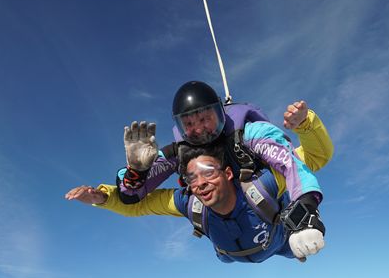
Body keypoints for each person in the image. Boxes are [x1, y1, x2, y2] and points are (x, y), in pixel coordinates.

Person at [66, 143, 326, 263]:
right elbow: (138, 205)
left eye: (208, 173)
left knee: (296, 247)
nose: (200, 183)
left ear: (228, 173)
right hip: (231, 255)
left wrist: (305, 124)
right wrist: (102, 197)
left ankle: (297, 247)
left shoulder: (261, 186)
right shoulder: (189, 203)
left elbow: (310, 157)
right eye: (192, 177)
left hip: (280, 243)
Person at [118, 81, 334, 215]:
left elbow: (293, 162)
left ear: (220, 113)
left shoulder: (249, 135)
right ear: (180, 126)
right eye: (189, 123)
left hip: (273, 220)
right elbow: (131, 198)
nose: (199, 129)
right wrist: (137, 172)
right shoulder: (179, 153)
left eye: (205, 118)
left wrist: (306, 209)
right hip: (232, 241)